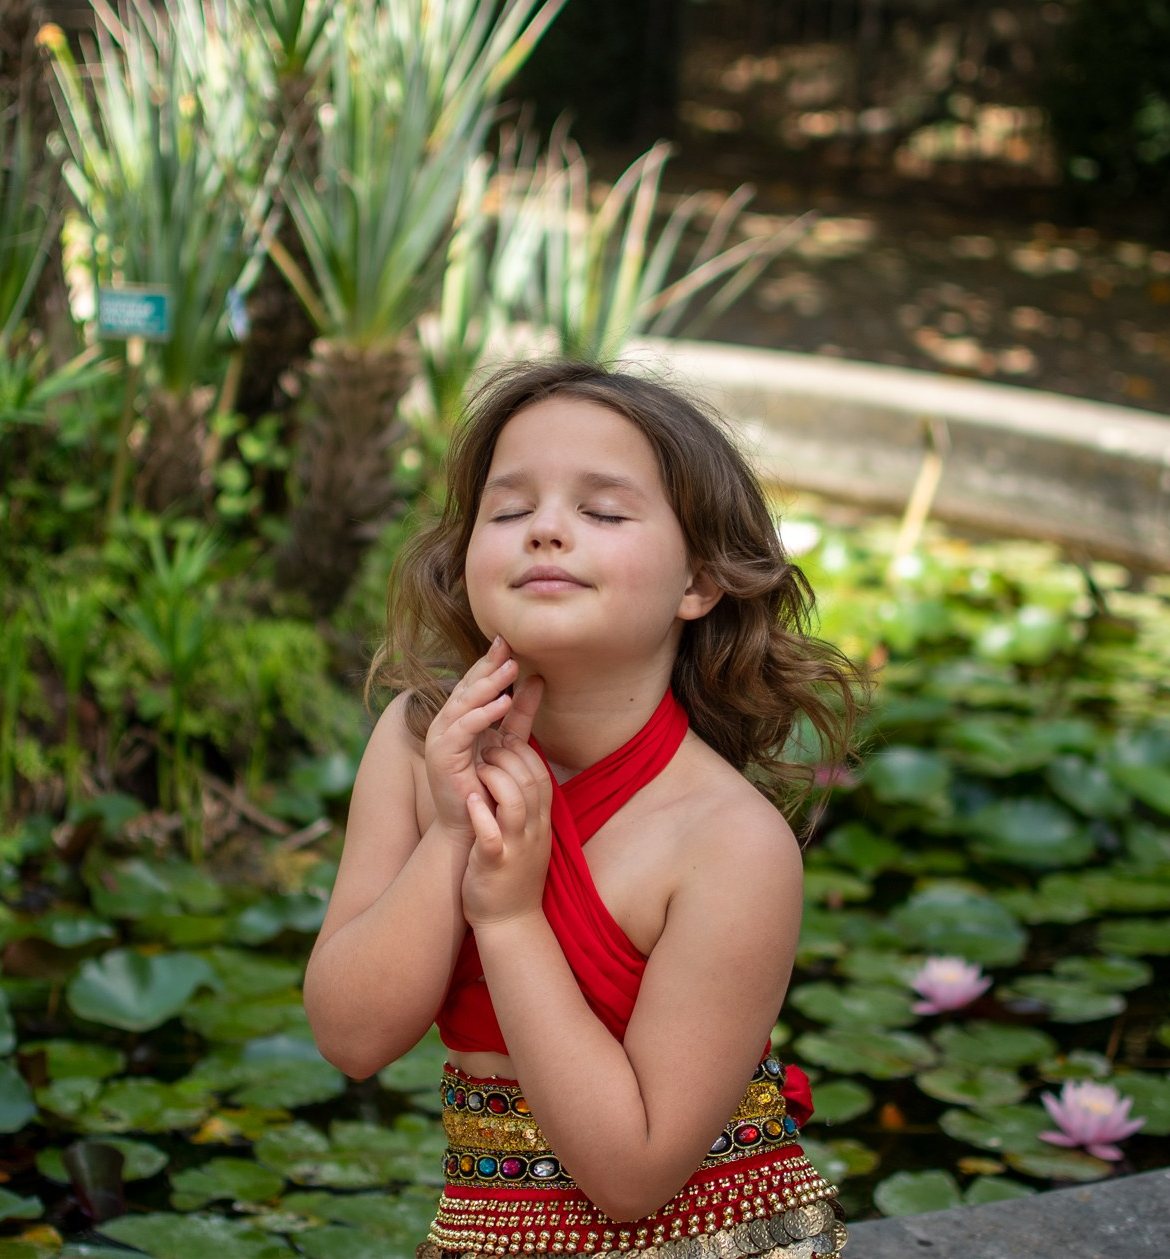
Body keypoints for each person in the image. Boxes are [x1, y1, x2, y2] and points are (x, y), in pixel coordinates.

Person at [305, 361, 859, 1257]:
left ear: (700, 581)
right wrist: (454, 828)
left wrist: (510, 914)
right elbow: (351, 1038)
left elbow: (633, 1177)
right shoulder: (416, 745)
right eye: (510, 509)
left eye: (601, 512)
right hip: (484, 1235)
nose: (548, 532)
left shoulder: (729, 843)